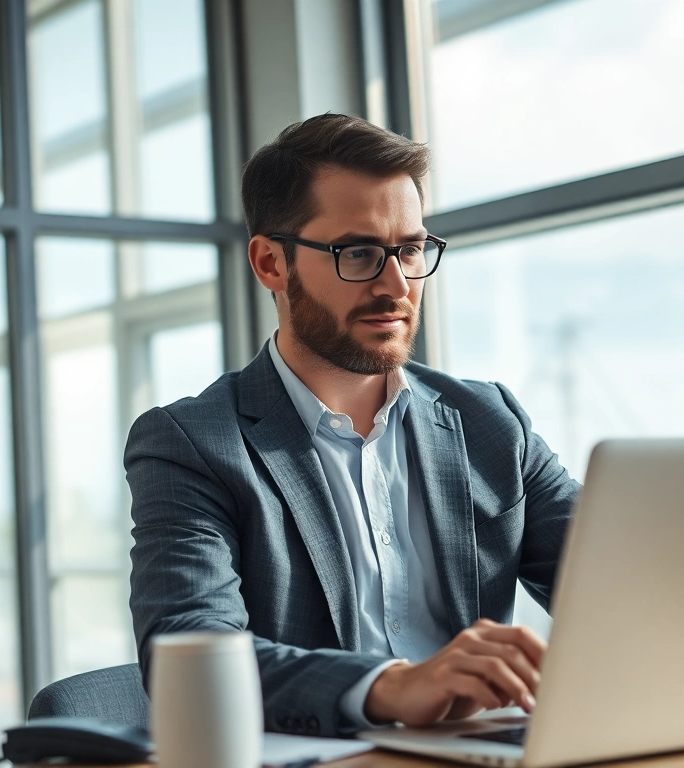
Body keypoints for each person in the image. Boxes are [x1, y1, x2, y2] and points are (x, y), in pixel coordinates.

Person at [126, 114, 580, 738]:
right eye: (358, 253)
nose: (396, 286)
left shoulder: (490, 422)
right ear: (270, 264)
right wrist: (393, 686)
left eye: (412, 249)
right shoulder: (194, 444)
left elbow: (615, 582)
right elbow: (189, 653)